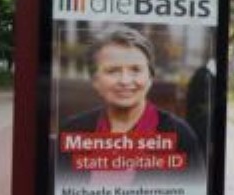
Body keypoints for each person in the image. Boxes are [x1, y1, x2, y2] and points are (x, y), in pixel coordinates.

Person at [58, 25, 202, 181]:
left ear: (150, 78)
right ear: (95, 81)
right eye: (113, 71)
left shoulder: (180, 136)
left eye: (135, 70)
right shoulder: (72, 131)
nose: (125, 81)